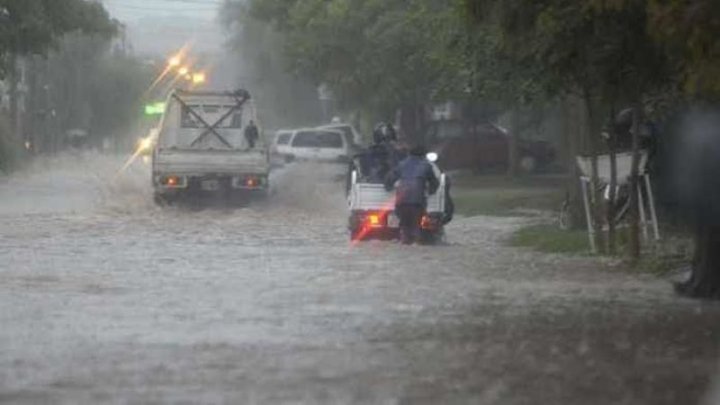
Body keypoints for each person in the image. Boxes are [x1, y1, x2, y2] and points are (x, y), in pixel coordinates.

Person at [385, 145, 440, 244]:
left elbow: (390, 178)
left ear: (409, 154)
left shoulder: (402, 164)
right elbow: (434, 182)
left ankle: (405, 242)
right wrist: (431, 191)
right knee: (416, 226)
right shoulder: (426, 166)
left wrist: (388, 187)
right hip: (417, 202)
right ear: (423, 155)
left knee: (404, 226)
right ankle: (416, 242)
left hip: (401, 201)